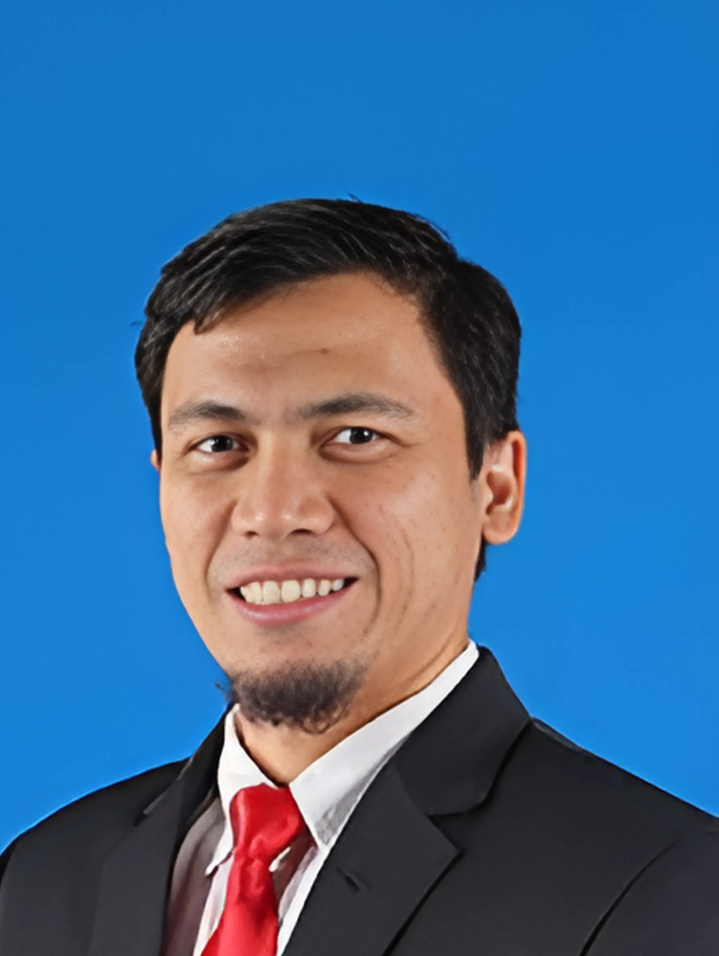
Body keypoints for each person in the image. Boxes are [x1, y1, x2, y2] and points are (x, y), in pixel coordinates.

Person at [0, 199, 716, 956]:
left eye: (355, 435)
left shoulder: (663, 891)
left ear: (496, 487)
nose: (273, 512)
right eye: (219, 444)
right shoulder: (42, 880)